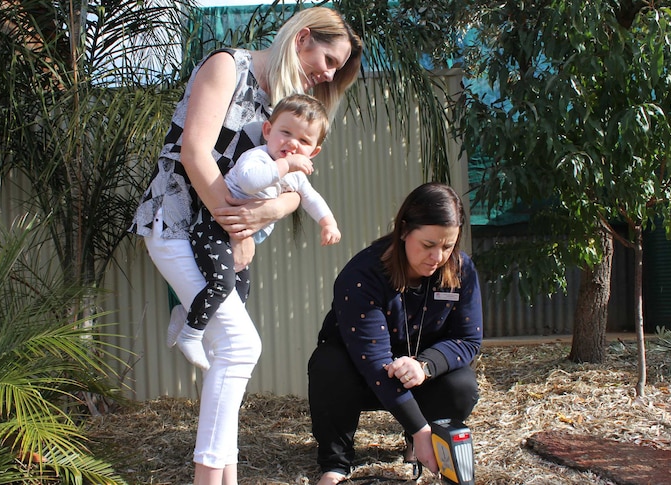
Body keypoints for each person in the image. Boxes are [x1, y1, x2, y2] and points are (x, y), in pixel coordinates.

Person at [127, 6, 362, 485]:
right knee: (239, 346)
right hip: (176, 224)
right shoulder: (226, 67)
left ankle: (225, 475)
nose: (328, 74)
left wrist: (268, 214)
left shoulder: (287, 105)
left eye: (337, 70)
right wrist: (239, 230)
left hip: (221, 238)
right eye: (330, 59)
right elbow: (194, 153)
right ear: (302, 38)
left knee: (229, 359)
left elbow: (296, 191)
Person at [307, 182, 483, 485]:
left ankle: (418, 446)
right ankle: (335, 462)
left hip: (418, 374)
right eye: (428, 245)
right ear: (404, 230)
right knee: (328, 364)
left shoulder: (461, 269)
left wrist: (425, 365)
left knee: (462, 383)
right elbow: (375, 362)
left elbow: (469, 339)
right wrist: (420, 427)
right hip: (360, 376)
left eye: (448, 245)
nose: (438, 256)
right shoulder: (363, 275)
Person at [169, 93, 342, 369]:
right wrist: (285, 165)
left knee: (240, 291)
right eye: (286, 133)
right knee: (222, 283)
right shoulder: (258, 158)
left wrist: (328, 222)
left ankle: (187, 313)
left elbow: (310, 198)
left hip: (234, 236)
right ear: (268, 130)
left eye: (304, 141)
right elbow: (250, 182)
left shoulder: (295, 175)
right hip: (213, 227)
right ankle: (190, 334)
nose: (292, 144)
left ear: (314, 152)